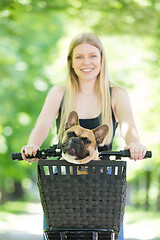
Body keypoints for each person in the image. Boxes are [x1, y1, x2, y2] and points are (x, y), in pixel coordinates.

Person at [21, 32, 147, 240]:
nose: (86, 62)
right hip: (64, 175)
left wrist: (135, 145)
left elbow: (129, 128)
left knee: (108, 231)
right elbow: (41, 125)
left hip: (103, 177)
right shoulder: (59, 93)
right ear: (70, 62)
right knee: (58, 230)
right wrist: (32, 145)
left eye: (92, 56)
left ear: (101, 59)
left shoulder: (116, 94)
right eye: (79, 57)